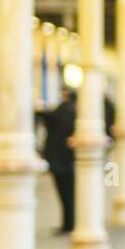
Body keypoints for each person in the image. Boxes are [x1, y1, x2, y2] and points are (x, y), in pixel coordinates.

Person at [37, 87, 77, 234]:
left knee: (66, 193)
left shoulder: (64, 110)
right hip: (68, 158)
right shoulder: (74, 110)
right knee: (68, 193)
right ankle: (69, 223)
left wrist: (38, 107)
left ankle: (69, 224)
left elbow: (48, 116)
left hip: (61, 158)